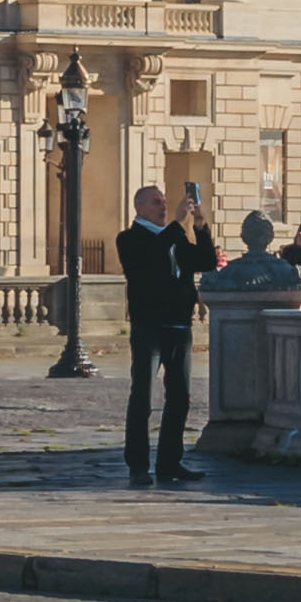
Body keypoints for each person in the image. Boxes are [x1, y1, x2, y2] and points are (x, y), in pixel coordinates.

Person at [114, 180, 218, 485]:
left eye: (163, 201)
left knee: (180, 398)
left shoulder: (174, 238)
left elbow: (206, 263)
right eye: (156, 202)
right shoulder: (130, 239)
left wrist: (200, 228)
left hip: (179, 327)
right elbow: (149, 260)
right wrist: (176, 222)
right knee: (143, 397)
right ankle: (137, 465)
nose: (162, 206)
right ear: (140, 208)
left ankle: (170, 462)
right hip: (150, 327)